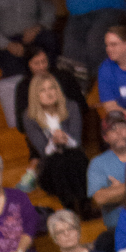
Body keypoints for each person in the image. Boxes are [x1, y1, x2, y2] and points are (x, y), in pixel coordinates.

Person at [45, 0, 126, 79]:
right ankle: (83, 89)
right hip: (76, 16)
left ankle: (107, 84)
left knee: (96, 42)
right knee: (71, 54)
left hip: (110, 9)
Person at [23, 73, 91, 215]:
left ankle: (85, 205)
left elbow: (76, 141)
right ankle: (70, 207)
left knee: (74, 158)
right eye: (43, 90)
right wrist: (53, 142)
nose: (49, 93)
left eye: (52, 88)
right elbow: (43, 151)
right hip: (50, 165)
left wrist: (66, 139)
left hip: (75, 157)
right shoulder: (29, 117)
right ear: (35, 95)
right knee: (58, 162)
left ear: (58, 90)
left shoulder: (71, 106)